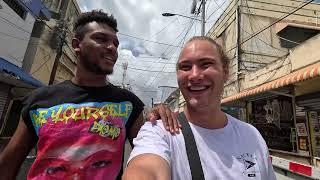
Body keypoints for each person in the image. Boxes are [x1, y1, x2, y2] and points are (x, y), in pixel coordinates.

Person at [0, 10, 178, 180]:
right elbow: (8, 165)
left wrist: (159, 117)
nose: (112, 48)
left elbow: (150, 155)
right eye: (101, 39)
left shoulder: (128, 103)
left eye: (115, 43)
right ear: (77, 45)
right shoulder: (39, 100)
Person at [123, 36, 276, 180]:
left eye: (206, 64)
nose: (194, 75)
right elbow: (145, 168)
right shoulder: (160, 131)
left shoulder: (252, 135)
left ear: (226, 72)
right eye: (185, 67)